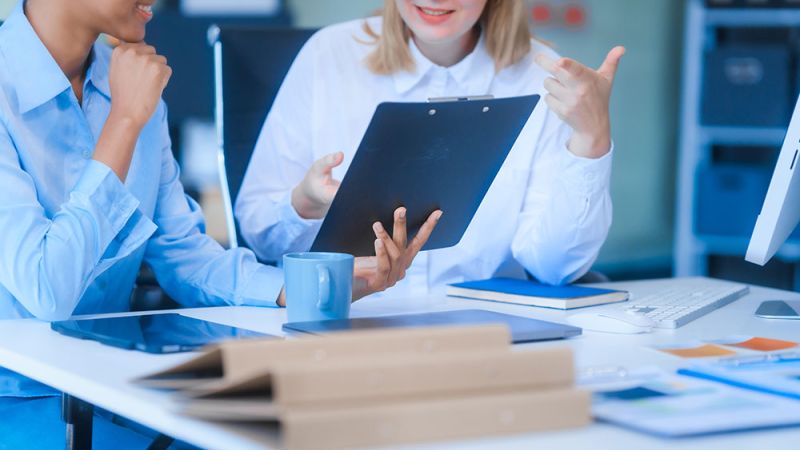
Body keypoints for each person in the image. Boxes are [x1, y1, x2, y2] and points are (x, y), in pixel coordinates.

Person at [0, 0, 439, 445]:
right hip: (19, 393)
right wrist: (125, 122)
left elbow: (185, 256)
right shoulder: (117, 98)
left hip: (112, 386)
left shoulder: (127, 80)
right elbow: (48, 290)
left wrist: (316, 286)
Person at [236, 0, 624, 298]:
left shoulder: (543, 77)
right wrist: (304, 204)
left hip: (484, 330)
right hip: (345, 322)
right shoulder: (328, 55)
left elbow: (556, 267)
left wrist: (591, 138)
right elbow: (259, 234)